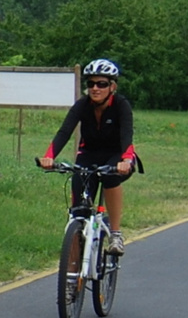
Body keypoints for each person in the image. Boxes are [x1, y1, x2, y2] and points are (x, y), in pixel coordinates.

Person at [39, 58, 137, 255]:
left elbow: (127, 135)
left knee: (110, 178)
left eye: (101, 84)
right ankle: (73, 270)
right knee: (78, 208)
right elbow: (64, 132)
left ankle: (116, 234)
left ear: (112, 86)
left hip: (117, 154)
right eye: (91, 83)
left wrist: (126, 161)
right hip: (89, 153)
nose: (95, 88)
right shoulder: (82, 105)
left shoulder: (121, 105)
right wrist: (48, 157)